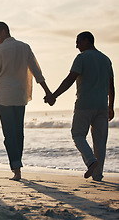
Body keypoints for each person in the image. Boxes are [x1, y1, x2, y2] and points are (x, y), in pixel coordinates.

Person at [0, 21, 53, 181]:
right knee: (19, 133)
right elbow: (36, 71)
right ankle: (17, 167)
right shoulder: (25, 47)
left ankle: (16, 168)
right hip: (20, 96)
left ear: (4, 32)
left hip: (3, 97)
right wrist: (48, 92)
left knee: (9, 134)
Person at [44, 31, 115, 181]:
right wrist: (111, 106)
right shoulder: (106, 59)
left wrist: (54, 96)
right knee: (100, 141)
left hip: (85, 104)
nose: (76, 45)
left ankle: (90, 161)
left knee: (77, 134)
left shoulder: (82, 58)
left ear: (87, 41)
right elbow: (111, 86)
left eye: (79, 42)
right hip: (102, 105)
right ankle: (98, 175)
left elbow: (70, 79)